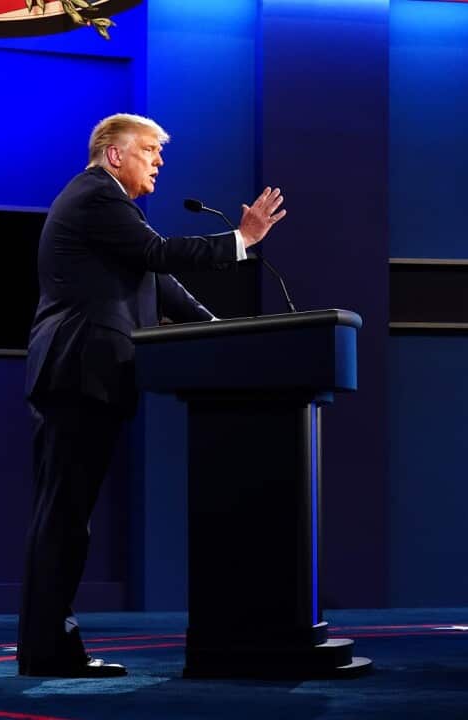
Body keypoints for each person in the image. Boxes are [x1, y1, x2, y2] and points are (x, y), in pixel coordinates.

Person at [19, 113, 286, 677]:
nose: (159, 161)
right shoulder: (97, 196)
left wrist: (224, 329)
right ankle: (47, 649)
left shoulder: (110, 212)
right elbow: (162, 255)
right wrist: (242, 240)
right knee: (64, 516)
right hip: (77, 371)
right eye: (149, 151)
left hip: (87, 376)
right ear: (115, 155)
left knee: (68, 515)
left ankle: (49, 646)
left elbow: (161, 284)